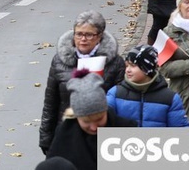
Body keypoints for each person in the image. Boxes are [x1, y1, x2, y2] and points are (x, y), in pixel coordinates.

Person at [39, 10, 125, 154]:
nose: (83, 39)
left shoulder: (115, 63)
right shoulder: (60, 60)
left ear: (100, 36)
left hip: (101, 135)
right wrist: (46, 137)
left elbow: (120, 103)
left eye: (89, 34)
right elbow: (50, 102)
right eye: (79, 34)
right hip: (67, 133)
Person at [45, 69, 136, 169]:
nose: (94, 127)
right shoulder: (64, 135)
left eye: (99, 119)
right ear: (77, 116)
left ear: (105, 110)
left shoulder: (126, 130)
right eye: (86, 121)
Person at [106, 45, 189, 127]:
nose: (128, 70)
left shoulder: (170, 98)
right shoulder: (115, 93)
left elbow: (179, 131)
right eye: (127, 65)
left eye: (133, 65)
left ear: (146, 68)